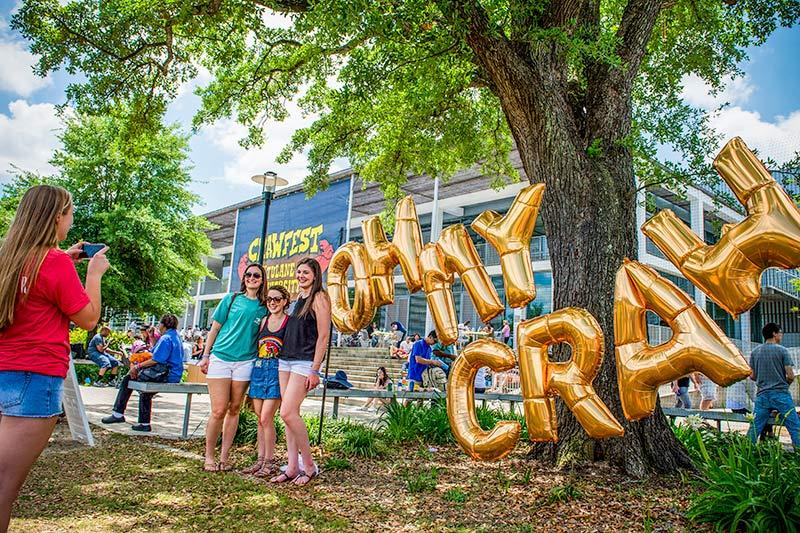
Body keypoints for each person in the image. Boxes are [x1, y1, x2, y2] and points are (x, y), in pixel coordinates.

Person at [0, 185, 109, 532]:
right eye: (70, 212)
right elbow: (88, 318)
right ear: (57, 216)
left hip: (5, 370)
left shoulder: (9, 258)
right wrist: (93, 274)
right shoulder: (55, 262)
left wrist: (65, 258)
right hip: (35, 380)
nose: (71, 219)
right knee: (3, 491)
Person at [199, 263, 268, 472]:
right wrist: (205, 355)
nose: (252, 278)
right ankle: (209, 456)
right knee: (219, 409)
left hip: (245, 361)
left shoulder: (264, 306)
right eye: (248, 275)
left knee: (234, 408)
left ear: (263, 279)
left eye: (256, 275)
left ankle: (224, 457)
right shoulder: (231, 299)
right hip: (221, 358)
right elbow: (215, 328)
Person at [270, 257, 330, 486]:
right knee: (288, 417)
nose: (301, 276)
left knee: (287, 412)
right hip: (285, 360)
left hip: (304, 363)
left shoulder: (319, 298)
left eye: (305, 272)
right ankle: (292, 466)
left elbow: (323, 336)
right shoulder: (298, 300)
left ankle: (309, 465)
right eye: (299, 272)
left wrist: (315, 369)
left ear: (315, 275)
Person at [101, 314, 184, 432]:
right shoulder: (175, 336)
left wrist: (137, 367)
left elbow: (156, 359)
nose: (158, 326)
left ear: (163, 325)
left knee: (128, 379)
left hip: (166, 373)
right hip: (173, 374)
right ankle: (144, 423)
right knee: (145, 390)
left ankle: (118, 414)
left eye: (159, 323)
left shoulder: (166, 338)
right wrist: (153, 340)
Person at [241, 285, 290, 478]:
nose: (273, 303)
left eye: (277, 299)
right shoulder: (263, 322)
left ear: (285, 301)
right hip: (260, 371)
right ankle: (260, 460)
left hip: (277, 372)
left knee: (266, 417)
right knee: (259, 419)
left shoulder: (289, 322)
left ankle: (270, 461)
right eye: (269, 299)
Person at [747, 323, 799, 449]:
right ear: (774, 333)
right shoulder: (782, 351)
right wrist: (784, 385)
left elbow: (752, 376)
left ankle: (746, 451)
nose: (781, 335)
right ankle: (798, 452)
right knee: (794, 426)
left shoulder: (755, 352)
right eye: (780, 332)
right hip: (780, 393)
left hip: (762, 395)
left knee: (755, 426)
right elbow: (791, 375)